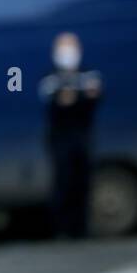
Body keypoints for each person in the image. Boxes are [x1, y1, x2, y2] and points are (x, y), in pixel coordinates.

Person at [38, 32, 103, 238]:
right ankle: (61, 228)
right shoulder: (50, 76)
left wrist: (74, 98)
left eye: (71, 46)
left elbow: (93, 97)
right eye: (63, 47)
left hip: (83, 134)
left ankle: (81, 227)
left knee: (82, 180)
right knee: (62, 180)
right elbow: (55, 101)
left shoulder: (88, 73)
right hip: (60, 136)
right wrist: (76, 98)